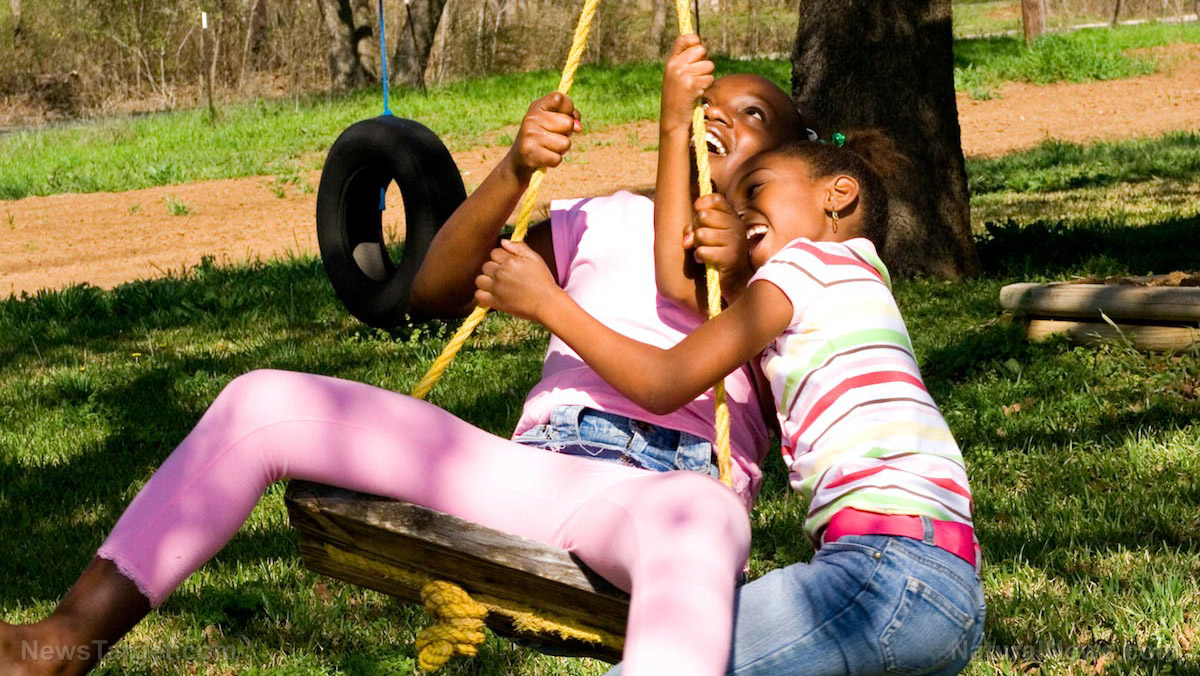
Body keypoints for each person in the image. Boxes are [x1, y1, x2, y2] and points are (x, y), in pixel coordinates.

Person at [0, 36, 810, 676]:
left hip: (659, 493)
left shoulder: (787, 263)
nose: (717, 113)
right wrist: (515, 169)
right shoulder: (604, 219)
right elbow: (436, 289)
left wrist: (676, 139)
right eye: (710, 100)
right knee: (261, 402)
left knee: (701, 521)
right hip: (534, 473)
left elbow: (686, 283)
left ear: (792, 162)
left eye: (752, 113)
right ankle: (63, 641)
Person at [476, 131, 987, 674]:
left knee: (672, 663)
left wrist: (547, 302)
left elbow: (664, 381)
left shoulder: (802, 265)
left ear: (837, 195)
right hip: (950, 589)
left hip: (882, 573)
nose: (740, 214)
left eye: (756, 190)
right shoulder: (859, 282)